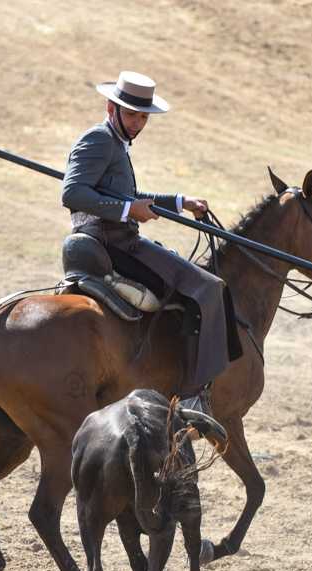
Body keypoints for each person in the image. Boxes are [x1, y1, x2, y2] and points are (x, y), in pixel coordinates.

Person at [61, 71, 241, 408]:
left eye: (143, 117)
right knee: (210, 288)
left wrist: (179, 202)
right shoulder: (99, 140)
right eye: (131, 115)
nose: (137, 123)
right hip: (114, 243)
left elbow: (123, 195)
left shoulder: (115, 142)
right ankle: (194, 396)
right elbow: (72, 193)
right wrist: (128, 209)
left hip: (116, 238)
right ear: (111, 107)